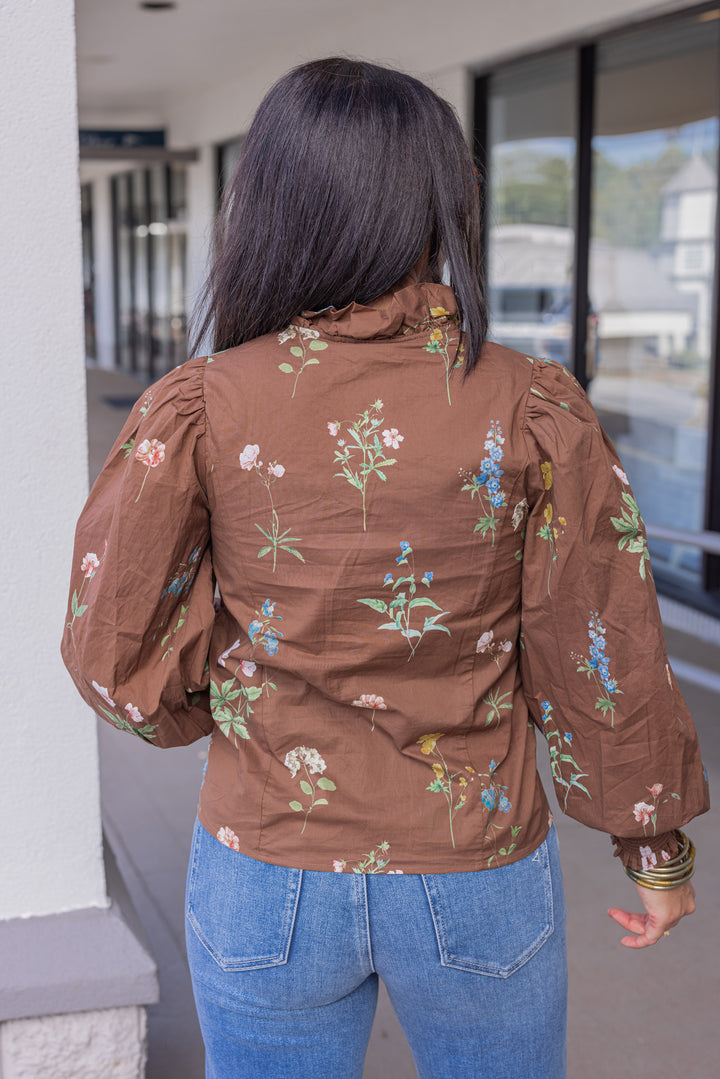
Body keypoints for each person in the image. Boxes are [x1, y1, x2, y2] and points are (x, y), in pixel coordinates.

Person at [62, 58, 708, 1079]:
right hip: (477, 862)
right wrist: (655, 850)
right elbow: (601, 646)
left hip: (264, 860)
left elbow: (111, 648)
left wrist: (222, 709)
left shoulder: (201, 404)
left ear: (268, 206)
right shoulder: (530, 403)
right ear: (443, 204)